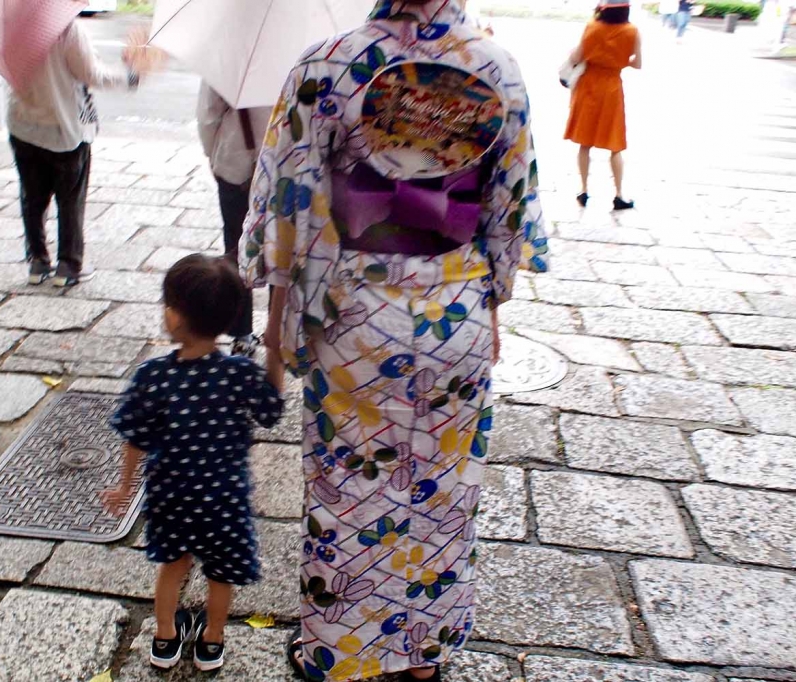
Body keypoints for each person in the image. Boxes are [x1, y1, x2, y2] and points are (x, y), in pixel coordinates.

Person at [240, 1, 548, 680]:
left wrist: (278, 321)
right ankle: (421, 655)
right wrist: (490, 302)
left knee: (346, 487)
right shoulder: (496, 67)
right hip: (454, 312)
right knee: (441, 491)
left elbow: (289, 203)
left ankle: (342, 649)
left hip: (356, 317)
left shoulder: (326, 64)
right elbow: (508, 209)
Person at [101, 254, 284, 673]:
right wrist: (275, 354)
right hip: (224, 502)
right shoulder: (239, 374)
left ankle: (165, 636)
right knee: (221, 575)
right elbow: (272, 411)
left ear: (174, 316)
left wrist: (125, 486)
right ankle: (212, 641)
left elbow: (136, 437)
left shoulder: (153, 376)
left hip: (172, 498)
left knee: (173, 566)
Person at [7, 19, 139, 287]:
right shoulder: (66, 28)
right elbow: (93, 75)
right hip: (64, 128)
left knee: (32, 198)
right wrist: (131, 75)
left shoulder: (12, 23)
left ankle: (37, 261)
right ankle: (68, 264)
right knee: (70, 200)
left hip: (23, 125)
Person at [197, 85, 274, 357]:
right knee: (281, 247)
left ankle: (242, 333)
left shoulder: (228, 56)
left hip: (235, 163)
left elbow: (208, 116)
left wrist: (212, 154)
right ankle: (279, 330)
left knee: (236, 246)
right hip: (283, 168)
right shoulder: (299, 51)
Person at [564, 1, 642, 210]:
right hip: (612, 88)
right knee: (615, 144)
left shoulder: (592, 26)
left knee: (584, 142)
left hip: (588, 86)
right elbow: (638, 63)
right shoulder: (632, 31)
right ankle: (618, 194)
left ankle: (583, 190)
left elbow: (577, 56)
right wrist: (620, 60)